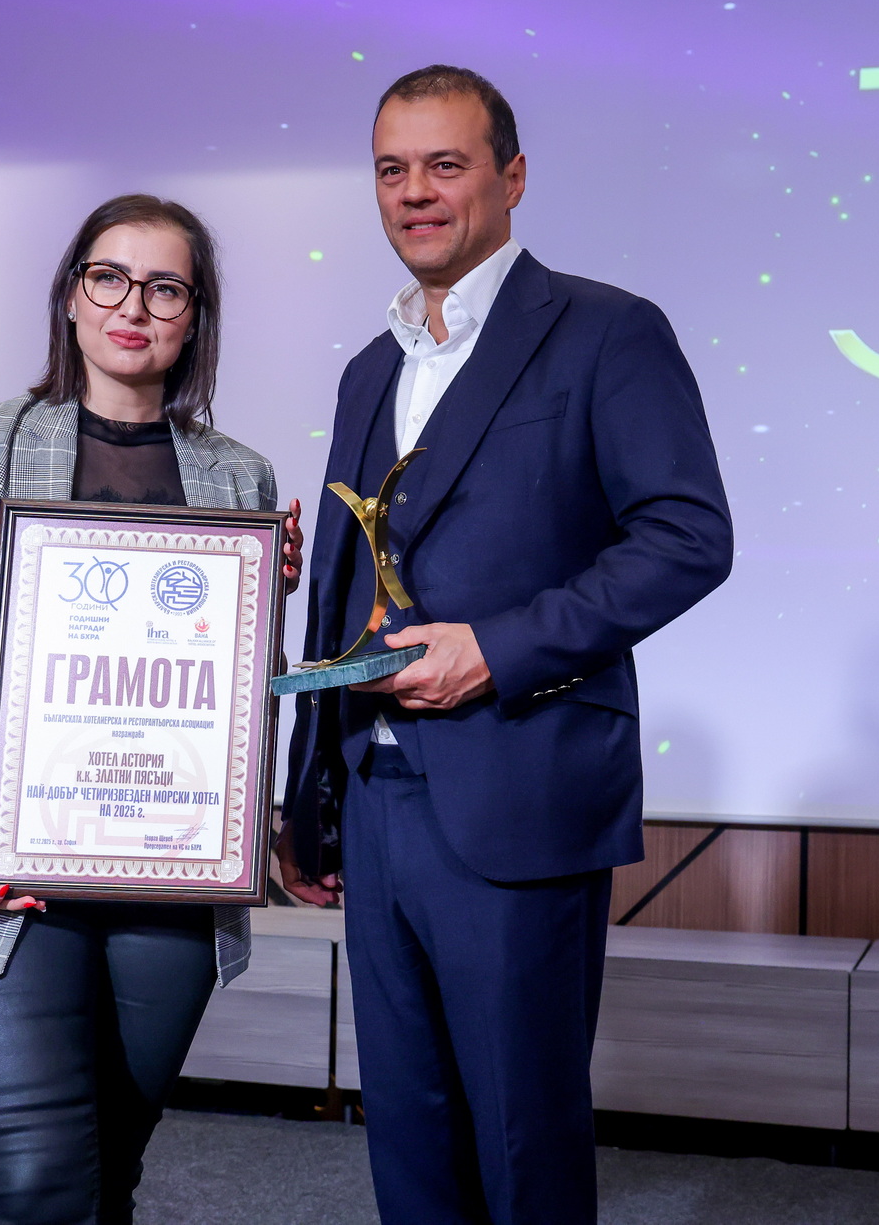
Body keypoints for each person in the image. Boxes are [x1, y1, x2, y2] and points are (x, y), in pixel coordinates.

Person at [277, 66, 732, 1223]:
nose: (414, 192)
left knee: (523, 1141)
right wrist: (305, 793)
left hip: (519, 788)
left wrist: (497, 647)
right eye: (391, 169)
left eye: (445, 164)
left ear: (512, 176)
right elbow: (343, 589)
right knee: (409, 1134)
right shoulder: (369, 368)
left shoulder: (606, 331)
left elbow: (686, 537)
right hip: (373, 798)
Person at [0, 194, 304, 1225]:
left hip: (170, 885)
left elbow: (240, 692)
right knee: (37, 1185)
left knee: (104, 1179)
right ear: (71, 296)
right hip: (8, 878)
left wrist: (265, 597)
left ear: (194, 317)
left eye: (165, 288)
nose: (132, 306)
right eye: (109, 278)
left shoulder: (238, 476)